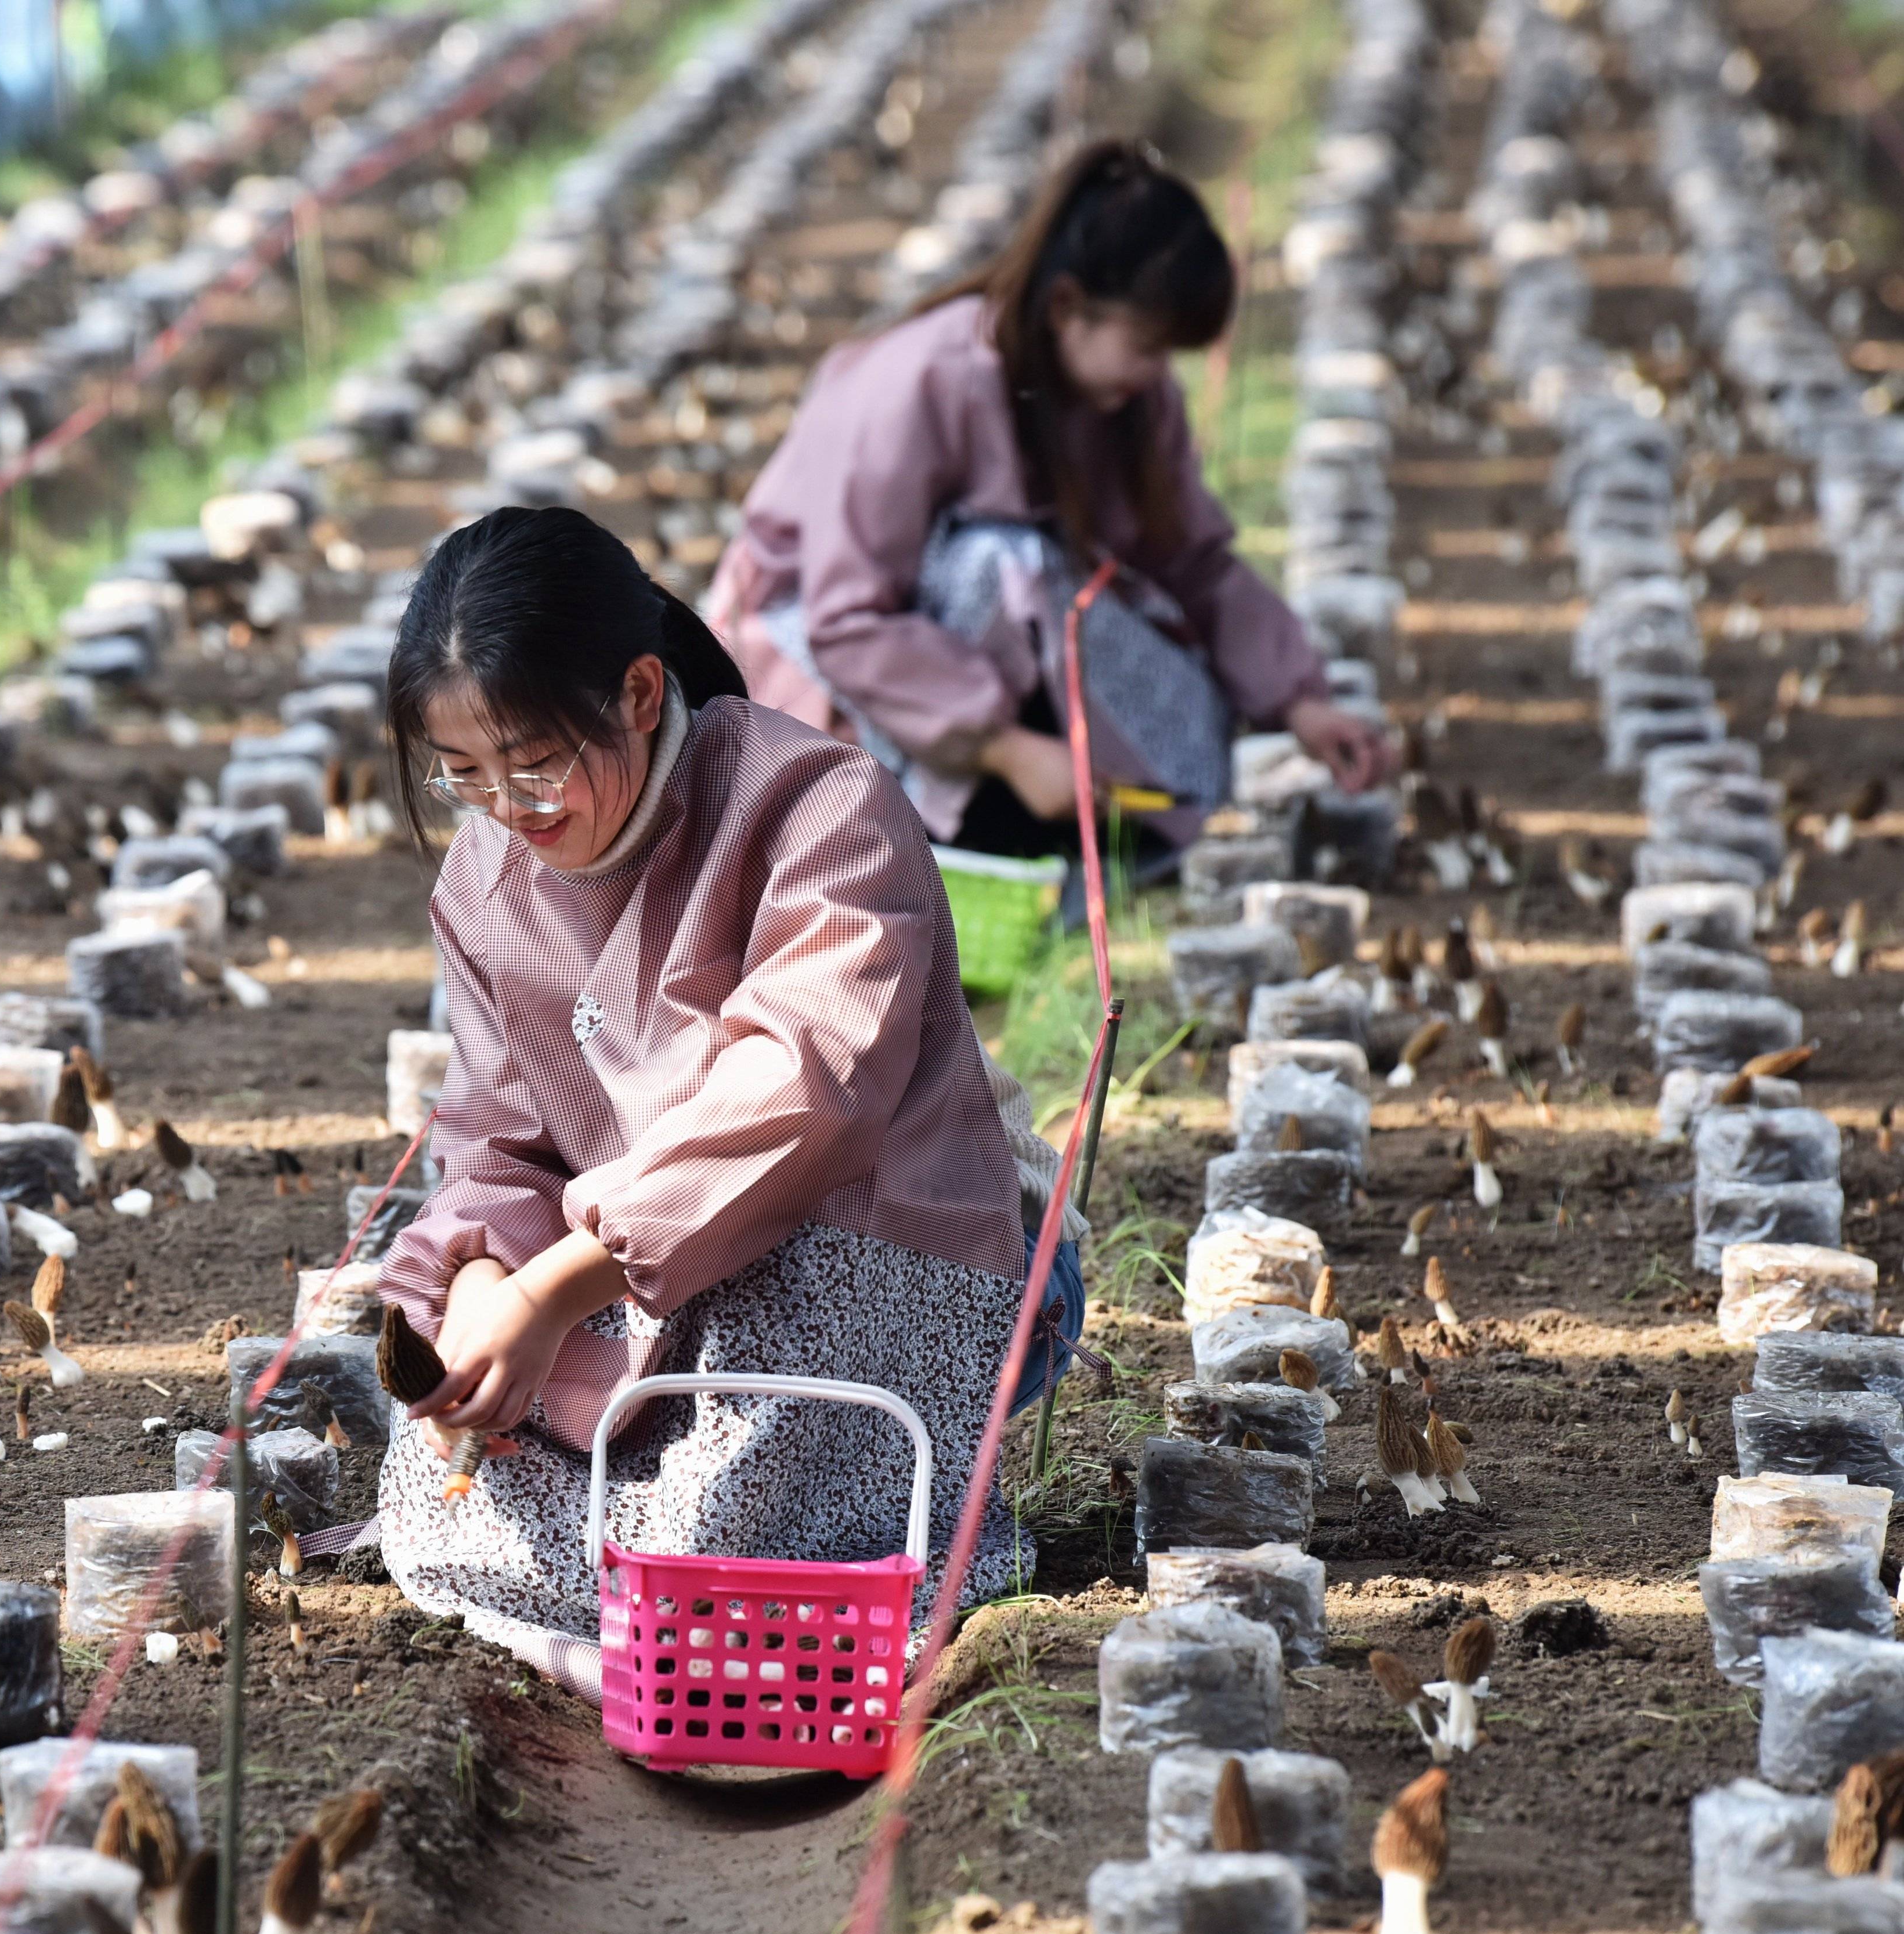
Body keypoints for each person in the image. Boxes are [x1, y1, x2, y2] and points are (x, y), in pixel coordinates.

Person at [370, 504, 1049, 1673]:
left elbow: (803, 1099)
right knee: (434, 1457)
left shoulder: (819, 809)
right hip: (628, 1269)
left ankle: (702, 1594)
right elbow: (498, 1142)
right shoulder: (486, 876)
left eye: (533, 765)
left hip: (852, 1255)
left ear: (638, 694)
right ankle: (670, 1603)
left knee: (715, 1521)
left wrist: (554, 1290)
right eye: (464, 779)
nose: (507, 812)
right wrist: (484, 1280)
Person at [711, 139, 1393, 869]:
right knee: (1003, 566)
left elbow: (1189, 558)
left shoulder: (1129, 396)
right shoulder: (924, 382)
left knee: (1189, 751)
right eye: (1147, 347)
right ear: (1068, 306)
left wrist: (1299, 701)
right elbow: (846, 621)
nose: (1159, 375)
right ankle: (957, 830)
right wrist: (1006, 749)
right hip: (818, 650)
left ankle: (1055, 821)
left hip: (972, 653)